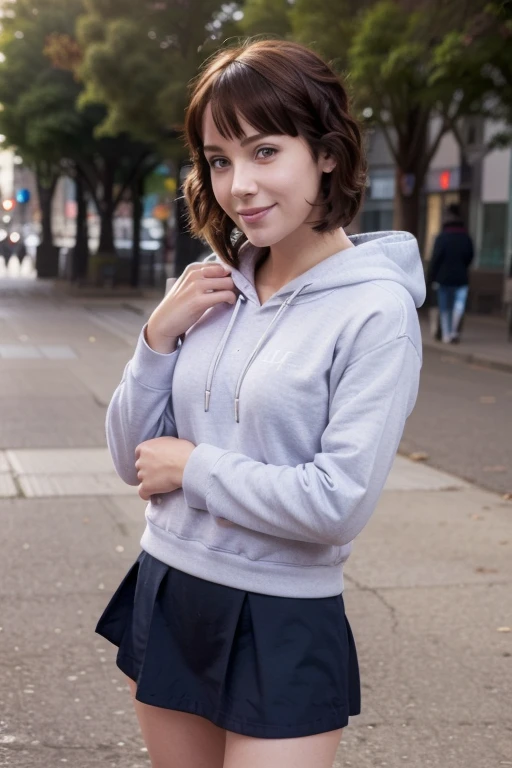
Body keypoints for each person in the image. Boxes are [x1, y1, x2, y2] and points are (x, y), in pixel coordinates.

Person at [96, 39, 425, 768]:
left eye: (265, 151)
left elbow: (337, 502)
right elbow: (130, 459)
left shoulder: (375, 312)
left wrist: (195, 468)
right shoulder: (203, 288)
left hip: (283, 613)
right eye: (218, 159)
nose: (238, 184)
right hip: (172, 585)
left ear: (327, 153)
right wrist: (155, 339)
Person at [427, 203, 474, 344]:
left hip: (443, 278)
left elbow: (435, 259)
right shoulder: (466, 237)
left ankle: (446, 334)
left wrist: (431, 277)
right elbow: (470, 256)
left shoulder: (442, 237)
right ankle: (454, 332)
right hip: (461, 278)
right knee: (458, 306)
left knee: (445, 308)